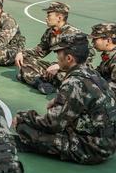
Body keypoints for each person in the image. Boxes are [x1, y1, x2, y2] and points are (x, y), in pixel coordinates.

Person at [13, 32, 116, 164]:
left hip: (93, 148)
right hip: (106, 142)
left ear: (69, 58)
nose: (57, 57)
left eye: (59, 53)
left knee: (24, 128)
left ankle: (32, 143)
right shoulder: (92, 73)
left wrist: (25, 116)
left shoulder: (73, 82)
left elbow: (52, 124)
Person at [15, 2, 85, 95]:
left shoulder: (74, 34)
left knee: (64, 77)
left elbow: (86, 58)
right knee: (25, 60)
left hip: (71, 68)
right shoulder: (50, 32)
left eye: (49, 15)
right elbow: (40, 51)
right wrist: (21, 53)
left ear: (59, 18)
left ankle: (35, 79)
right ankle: (41, 83)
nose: (46, 18)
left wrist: (59, 66)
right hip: (58, 65)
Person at [90, 22, 116, 94]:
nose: (92, 42)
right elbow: (98, 73)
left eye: (95, 39)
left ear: (108, 40)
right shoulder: (109, 55)